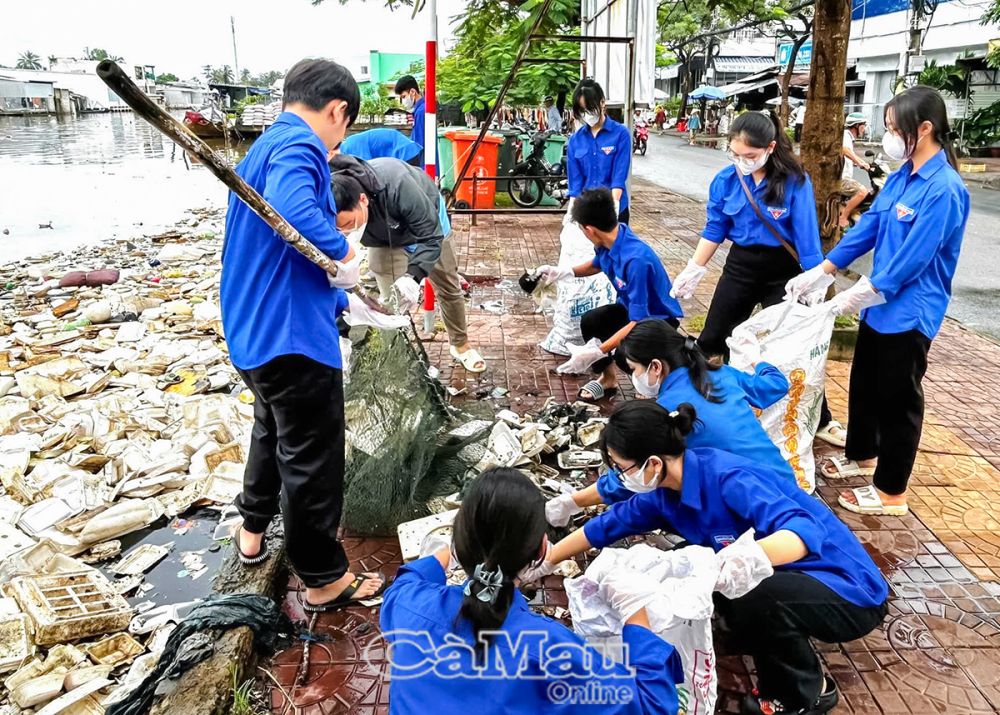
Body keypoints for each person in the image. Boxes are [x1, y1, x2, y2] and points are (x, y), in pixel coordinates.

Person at [526, 401, 889, 715]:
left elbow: (803, 533)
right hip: (785, 574)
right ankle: (751, 626)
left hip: (846, 588)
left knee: (756, 596)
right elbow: (609, 524)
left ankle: (804, 692)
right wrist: (546, 560)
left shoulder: (729, 478)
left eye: (622, 468)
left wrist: (738, 560)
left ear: (651, 463)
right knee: (680, 563)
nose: (620, 478)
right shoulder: (665, 491)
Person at [220, 58, 385, 611]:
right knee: (312, 456)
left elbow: (282, 250)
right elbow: (295, 213)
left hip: (253, 331)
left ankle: (250, 533)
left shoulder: (263, 145)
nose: (338, 143)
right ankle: (322, 579)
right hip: (291, 340)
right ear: (337, 110)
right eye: (344, 127)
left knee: (271, 429)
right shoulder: (302, 146)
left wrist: (341, 295)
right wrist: (344, 255)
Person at [785, 85, 970, 517]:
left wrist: (852, 296)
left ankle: (891, 492)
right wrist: (822, 272)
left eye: (892, 128)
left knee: (898, 399)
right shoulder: (902, 176)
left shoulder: (944, 189)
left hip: (910, 310)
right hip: (880, 306)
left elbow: (913, 261)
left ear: (923, 129)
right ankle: (862, 455)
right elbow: (869, 229)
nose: (886, 135)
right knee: (864, 383)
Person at [379, 467, 685, 714]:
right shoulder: (551, 650)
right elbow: (652, 705)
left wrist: (449, 551)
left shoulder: (407, 605)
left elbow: (408, 579)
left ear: (459, 543)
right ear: (542, 548)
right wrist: (636, 615)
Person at [669, 110, 842, 444]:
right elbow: (715, 227)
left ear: (771, 147)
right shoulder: (725, 180)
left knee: (790, 346)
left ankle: (820, 418)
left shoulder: (794, 181)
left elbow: (807, 239)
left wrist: (815, 283)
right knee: (713, 336)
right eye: (735, 154)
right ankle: (686, 403)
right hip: (742, 265)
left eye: (750, 155)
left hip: (787, 272)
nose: (742, 161)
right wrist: (695, 267)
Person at [545, 319, 794, 525]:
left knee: (660, 486)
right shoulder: (723, 373)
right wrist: (755, 358)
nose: (633, 378)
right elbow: (776, 386)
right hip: (787, 485)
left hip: (754, 507)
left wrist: (573, 502)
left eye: (633, 369)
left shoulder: (665, 410)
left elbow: (634, 474)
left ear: (655, 366)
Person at [330, 154, 486, 373]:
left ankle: (461, 345)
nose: (346, 231)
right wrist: (342, 331)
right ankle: (395, 353)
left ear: (363, 200)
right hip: (383, 238)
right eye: (340, 228)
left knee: (447, 285)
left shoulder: (398, 185)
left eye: (348, 223)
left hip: (429, 226)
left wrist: (413, 277)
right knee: (389, 299)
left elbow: (431, 237)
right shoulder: (328, 196)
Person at [534, 189, 683, 402]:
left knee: (624, 353)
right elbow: (597, 265)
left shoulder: (636, 260)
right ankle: (608, 379)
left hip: (658, 320)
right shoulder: (611, 239)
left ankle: (658, 388)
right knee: (591, 321)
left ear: (589, 229)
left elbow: (638, 321)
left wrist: (598, 350)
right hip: (631, 309)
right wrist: (563, 272)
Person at [567, 79, 633, 224]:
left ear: (602, 103)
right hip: (587, 211)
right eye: (582, 110)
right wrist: (572, 210)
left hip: (614, 207)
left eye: (590, 109)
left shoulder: (620, 134)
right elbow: (575, 183)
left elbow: (619, 176)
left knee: (615, 246)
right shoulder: (575, 141)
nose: (587, 114)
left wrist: (613, 207)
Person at [838, 112, 872, 227]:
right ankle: (844, 216)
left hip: (844, 177)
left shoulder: (849, 137)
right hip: (841, 179)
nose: (864, 128)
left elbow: (847, 155)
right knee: (862, 192)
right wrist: (859, 162)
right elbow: (844, 150)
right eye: (863, 125)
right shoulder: (846, 135)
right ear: (857, 125)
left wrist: (858, 163)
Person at [394, 74, 435, 171]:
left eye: (403, 96)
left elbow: (418, 146)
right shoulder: (421, 110)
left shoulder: (421, 112)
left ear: (412, 92)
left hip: (423, 166)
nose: (402, 101)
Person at [338, 127, 422, 165]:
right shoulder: (349, 142)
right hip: (407, 149)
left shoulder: (349, 146)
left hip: (404, 152)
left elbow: (367, 167)